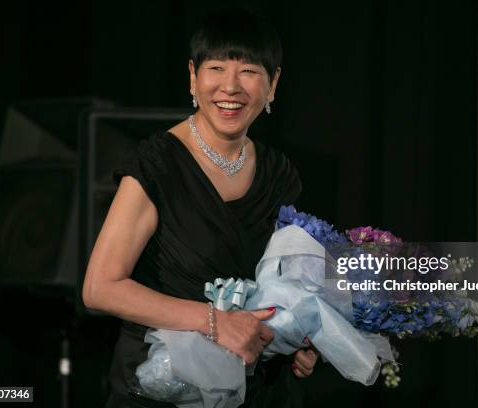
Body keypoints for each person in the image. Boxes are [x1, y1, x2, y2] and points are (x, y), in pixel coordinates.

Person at [82, 8, 319, 408]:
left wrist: (296, 341)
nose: (231, 87)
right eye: (215, 68)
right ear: (193, 77)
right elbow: (99, 288)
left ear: (273, 84)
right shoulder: (155, 166)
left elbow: (283, 285)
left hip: (257, 390)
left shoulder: (279, 174)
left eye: (249, 71)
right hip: (162, 386)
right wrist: (214, 322)